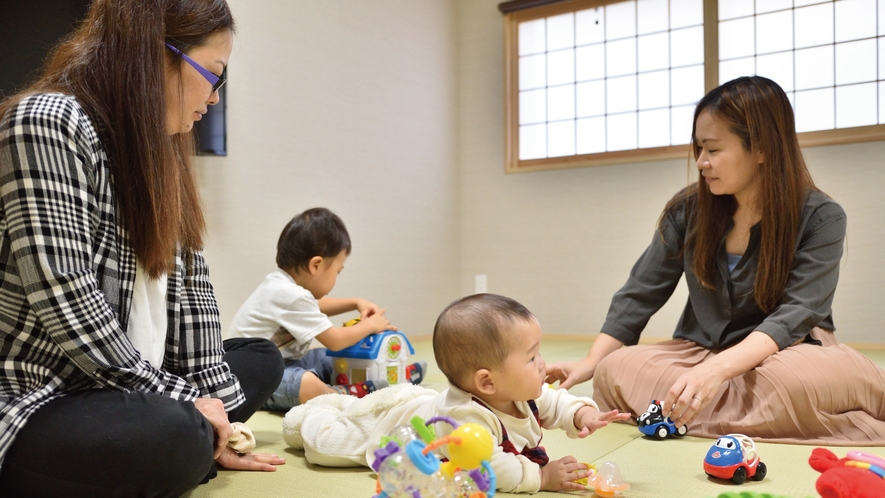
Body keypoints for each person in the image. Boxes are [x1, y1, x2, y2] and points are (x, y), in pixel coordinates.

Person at [0, 1, 286, 496]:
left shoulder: (163, 153)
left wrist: (212, 402)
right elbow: (64, 298)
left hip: (132, 380)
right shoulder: (47, 121)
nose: (214, 97)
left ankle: (195, 433)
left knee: (261, 358)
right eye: (212, 74)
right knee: (170, 434)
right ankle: (186, 433)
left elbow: (194, 294)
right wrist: (184, 401)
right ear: (156, 56)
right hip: (46, 390)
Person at [545, 76, 885, 446]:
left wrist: (717, 372)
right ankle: (736, 414)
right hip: (701, 350)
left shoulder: (821, 216)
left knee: (788, 383)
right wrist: (591, 362)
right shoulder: (687, 209)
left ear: (762, 149)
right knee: (614, 370)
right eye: (698, 148)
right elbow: (640, 293)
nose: (702, 162)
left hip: (785, 353)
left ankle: (692, 413)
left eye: (713, 149)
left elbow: (799, 312)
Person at [282, 293, 631, 493]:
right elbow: (492, 465)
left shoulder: (519, 389)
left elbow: (554, 402)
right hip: (390, 432)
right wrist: (541, 476)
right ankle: (312, 412)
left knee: (363, 404)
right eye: (531, 357)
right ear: (487, 383)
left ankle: (341, 402)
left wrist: (582, 413)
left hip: (422, 408)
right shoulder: (467, 418)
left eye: (539, 353)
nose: (543, 365)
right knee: (326, 444)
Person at [229, 207, 425, 410]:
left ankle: (386, 375)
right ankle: (345, 393)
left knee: (327, 357)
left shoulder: (284, 288)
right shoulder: (290, 295)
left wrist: (355, 302)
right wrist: (371, 325)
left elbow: (314, 308)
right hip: (254, 382)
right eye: (338, 271)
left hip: (285, 363)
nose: (337, 277)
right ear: (316, 265)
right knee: (308, 382)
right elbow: (336, 341)